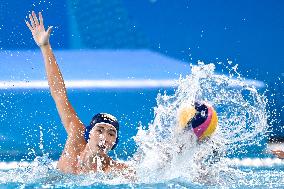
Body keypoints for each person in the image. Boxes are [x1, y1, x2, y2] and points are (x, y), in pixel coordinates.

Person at [25, 11, 129, 175]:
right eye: (100, 130)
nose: (104, 137)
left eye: (111, 134)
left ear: (114, 143)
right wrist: (45, 46)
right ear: (88, 133)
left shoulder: (116, 172)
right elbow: (59, 94)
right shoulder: (76, 135)